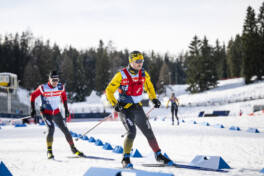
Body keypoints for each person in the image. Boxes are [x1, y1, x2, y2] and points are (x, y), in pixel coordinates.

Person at [106, 51, 174, 168]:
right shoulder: (121, 74)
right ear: (131, 62)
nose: (140, 63)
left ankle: (158, 155)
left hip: (138, 108)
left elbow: (149, 86)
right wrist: (114, 104)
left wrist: (154, 99)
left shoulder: (143, 73)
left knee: (149, 132)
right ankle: (125, 158)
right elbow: (109, 90)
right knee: (132, 132)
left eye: (142, 61)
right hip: (125, 109)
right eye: (137, 61)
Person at [30, 71, 84, 159]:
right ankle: (49, 151)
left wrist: (66, 109)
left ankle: (73, 149)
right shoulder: (43, 88)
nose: (55, 82)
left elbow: (64, 97)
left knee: (65, 130)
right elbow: (33, 96)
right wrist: (32, 109)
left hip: (56, 112)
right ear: (49, 79)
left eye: (57, 80)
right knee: (51, 129)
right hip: (46, 112)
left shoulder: (60, 87)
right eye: (53, 80)